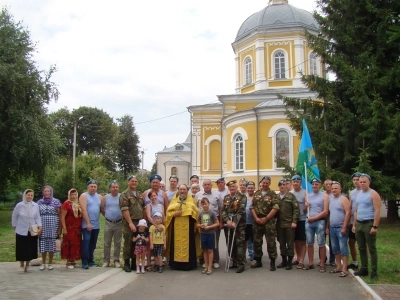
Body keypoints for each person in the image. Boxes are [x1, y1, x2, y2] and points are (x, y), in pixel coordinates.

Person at [353, 173, 381, 280]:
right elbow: (356, 210)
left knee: (372, 248)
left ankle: (374, 272)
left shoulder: (373, 194)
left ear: (369, 182)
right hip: (359, 223)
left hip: (369, 223)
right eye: (361, 182)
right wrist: (355, 224)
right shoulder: (359, 194)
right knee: (361, 248)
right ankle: (364, 268)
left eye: (364, 182)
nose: (362, 183)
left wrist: (375, 226)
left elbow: (377, 211)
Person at [166, 184, 200, 270]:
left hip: (188, 227)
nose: (182, 191)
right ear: (178, 190)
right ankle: (175, 264)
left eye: (184, 189)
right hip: (176, 227)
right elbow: (168, 212)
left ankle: (189, 265)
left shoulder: (191, 200)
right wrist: (174, 214)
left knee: (189, 245)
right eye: (180, 189)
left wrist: (189, 214)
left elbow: (195, 212)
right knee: (175, 244)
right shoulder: (174, 201)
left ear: (187, 190)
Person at [250, 176, 279, 271]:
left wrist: (266, 218)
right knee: (257, 242)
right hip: (257, 222)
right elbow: (252, 207)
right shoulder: (257, 194)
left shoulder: (273, 194)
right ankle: (258, 261)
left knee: (271, 242)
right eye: (263, 183)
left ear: (269, 183)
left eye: (267, 183)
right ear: (261, 183)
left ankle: (272, 261)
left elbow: (275, 208)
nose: (265, 184)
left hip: (269, 222)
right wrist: (256, 218)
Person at [120, 175, 146, 272]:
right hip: (129, 222)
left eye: (135, 181)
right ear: (128, 182)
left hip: (139, 223)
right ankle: (126, 263)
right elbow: (125, 209)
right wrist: (130, 223)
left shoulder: (139, 194)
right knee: (128, 242)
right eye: (132, 181)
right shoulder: (125, 194)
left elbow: (143, 207)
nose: (134, 183)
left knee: (137, 243)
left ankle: (134, 263)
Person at [12, 189, 42, 273]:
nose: (30, 197)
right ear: (25, 195)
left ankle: (28, 265)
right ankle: (21, 265)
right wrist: (14, 226)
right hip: (21, 229)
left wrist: (40, 226)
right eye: (28, 195)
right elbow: (14, 216)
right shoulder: (19, 205)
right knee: (22, 248)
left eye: (31, 195)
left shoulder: (35, 205)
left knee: (30, 248)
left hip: (32, 229)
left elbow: (37, 217)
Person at [194, 179, 223, 269]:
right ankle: (204, 261)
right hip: (202, 221)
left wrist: (221, 222)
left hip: (214, 220)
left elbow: (220, 209)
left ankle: (215, 261)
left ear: (211, 185)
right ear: (202, 186)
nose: (207, 186)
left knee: (214, 242)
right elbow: (195, 208)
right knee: (204, 242)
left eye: (208, 184)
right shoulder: (198, 195)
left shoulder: (217, 194)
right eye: (205, 184)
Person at [304, 178, 329, 271]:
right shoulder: (308, 196)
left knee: (321, 243)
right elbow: (304, 211)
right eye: (313, 184)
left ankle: (322, 263)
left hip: (319, 222)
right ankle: (310, 263)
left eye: (316, 184)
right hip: (309, 222)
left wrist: (314, 218)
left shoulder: (324, 195)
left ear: (320, 185)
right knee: (309, 243)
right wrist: (305, 206)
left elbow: (326, 211)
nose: (314, 186)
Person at [222, 180, 247, 273]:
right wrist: (227, 220)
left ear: (237, 188)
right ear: (228, 188)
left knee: (239, 244)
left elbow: (241, 210)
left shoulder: (242, 197)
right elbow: (223, 210)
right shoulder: (226, 198)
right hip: (228, 224)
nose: (232, 188)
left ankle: (241, 264)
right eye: (230, 187)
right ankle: (234, 261)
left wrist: (234, 222)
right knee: (230, 244)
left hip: (239, 224)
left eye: (233, 187)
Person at [327, 181, 351, 277]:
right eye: (332, 188)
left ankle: (345, 268)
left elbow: (348, 213)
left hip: (341, 228)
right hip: (332, 228)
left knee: (343, 248)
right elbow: (330, 214)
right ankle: (338, 266)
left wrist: (344, 227)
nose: (334, 190)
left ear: (340, 189)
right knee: (335, 249)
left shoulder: (344, 199)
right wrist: (327, 227)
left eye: (336, 188)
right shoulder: (331, 200)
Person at [276, 179, 299, 270]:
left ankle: (289, 262)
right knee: (281, 244)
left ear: (287, 186)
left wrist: (294, 221)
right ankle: (284, 260)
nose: (282, 186)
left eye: (284, 184)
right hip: (279, 225)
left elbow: (296, 210)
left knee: (290, 244)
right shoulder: (276, 197)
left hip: (289, 224)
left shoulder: (291, 197)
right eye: (280, 185)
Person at [37, 185, 62, 271]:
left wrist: (60, 228)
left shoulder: (56, 202)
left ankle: (50, 263)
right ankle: (43, 263)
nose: (47, 193)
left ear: (51, 192)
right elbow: (36, 215)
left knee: (51, 244)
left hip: (53, 226)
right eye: (45, 191)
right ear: (43, 192)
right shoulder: (39, 202)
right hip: (42, 226)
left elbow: (60, 216)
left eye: (48, 191)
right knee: (43, 244)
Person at [79, 179, 101, 269]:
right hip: (87, 224)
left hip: (96, 224)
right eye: (91, 186)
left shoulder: (99, 197)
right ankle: (84, 261)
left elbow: (102, 209)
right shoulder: (84, 196)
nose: (93, 188)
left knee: (93, 243)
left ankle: (90, 259)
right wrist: (88, 223)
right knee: (86, 241)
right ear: (87, 187)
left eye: (95, 187)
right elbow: (83, 210)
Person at [101, 180, 122, 268]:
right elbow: (102, 209)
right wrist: (108, 216)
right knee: (107, 242)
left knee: (118, 242)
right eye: (113, 187)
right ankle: (106, 261)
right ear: (110, 188)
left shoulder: (121, 196)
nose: (115, 189)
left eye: (116, 187)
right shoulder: (105, 197)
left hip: (119, 222)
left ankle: (116, 260)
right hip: (109, 222)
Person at [196, 198, 219, 275]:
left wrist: (210, 227)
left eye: (205, 204)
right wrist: (201, 226)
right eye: (203, 204)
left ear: (209, 204)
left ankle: (210, 267)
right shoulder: (201, 213)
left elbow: (217, 223)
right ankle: (206, 266)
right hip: (203, 234)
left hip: (211, 233)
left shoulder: (212, 213)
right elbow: (197, 224)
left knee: (210, 250)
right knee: (205, 250)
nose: (204, 206)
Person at [60, 188, 82, 269]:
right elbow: (62, 217)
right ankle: (68, 262)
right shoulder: (66, 204)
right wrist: (64, 229)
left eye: (75, 194)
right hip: (69, 228)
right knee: (69, 243)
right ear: (69, 195)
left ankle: (73, 260)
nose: (74, 196)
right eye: (72, 194)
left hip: (77, 228)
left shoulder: (78, 203)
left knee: (76, 244)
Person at [290, 175, 307, 269]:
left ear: (300, 183)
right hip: (293, 220)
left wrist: (306, 207)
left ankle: (302, 260)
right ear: (292, 183)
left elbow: (306, 209)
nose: (295, 183)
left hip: (302, 219)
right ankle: (298, 257)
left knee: (302, 241)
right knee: (296, 240)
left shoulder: (305, 193)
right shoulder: (290, 194)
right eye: (294, 181)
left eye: (297, 182)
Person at [348, 172, 361, 270]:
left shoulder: (365, 191)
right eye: (354, 180)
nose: (356, 182)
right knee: (351, 242)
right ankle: (355, 262)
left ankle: (365, 264)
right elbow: (350, 206)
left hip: (362, 220)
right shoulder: (352, 192)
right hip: (352, 221)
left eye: (358, 180)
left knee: (362, 244)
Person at [322, 179, 335, 267]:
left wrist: (328, 226)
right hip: (322, 217)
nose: (328, 185)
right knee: (321, 240)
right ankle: (322, 258)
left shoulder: (334, 195)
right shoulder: (322, 194)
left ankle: (332, 259)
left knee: (332, 241)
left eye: (330, 184)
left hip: (332, 217)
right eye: (327, 184)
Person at [245, 181, 255, 262]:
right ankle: (243, 256)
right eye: (248, 188)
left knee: (252, 241)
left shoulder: (256, 198)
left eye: (251, 188)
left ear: (254, 188)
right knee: (244, 240)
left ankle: (252, 256)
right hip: (244, 222)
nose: (250, 189)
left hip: (253, 223)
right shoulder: (244, 198)